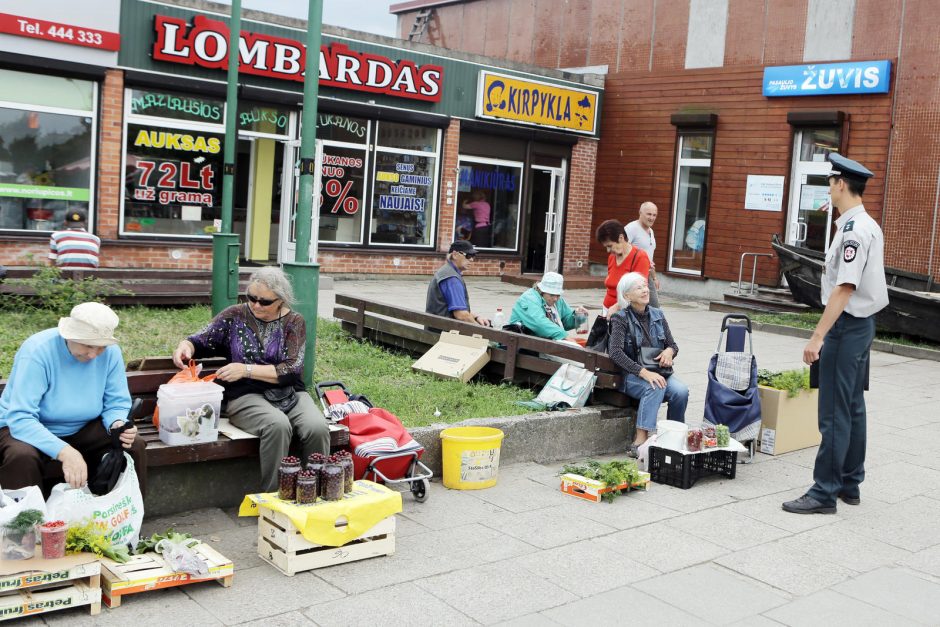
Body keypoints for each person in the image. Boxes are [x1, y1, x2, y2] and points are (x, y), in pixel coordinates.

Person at [783, 153, 888, 515]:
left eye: (830, 182)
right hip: (861, 326)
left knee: (833, 411)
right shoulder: (863, 224)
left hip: (846, 327)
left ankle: (824, 492)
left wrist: (817, 338)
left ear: (841, 184)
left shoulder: (854, 231)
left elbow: (844, 288)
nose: (829, 188)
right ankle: (849, 482)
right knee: (852, 407)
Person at [172, 267, 330, 493]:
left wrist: (245, 369)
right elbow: (200, 339)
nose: (256, 305)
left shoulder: (295, 322)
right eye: (252, 298)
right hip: (245, 395)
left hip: (290, 392)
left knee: (317, 427)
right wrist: (184, 346)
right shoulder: (234, 315)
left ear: (281, 300)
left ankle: (315, 491)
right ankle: (275, 496)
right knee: (277, 425)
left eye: (264, 302)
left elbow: (292, 369)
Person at [0, 302, 144, 496]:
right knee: (20, 457)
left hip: (83, 427)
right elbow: (20, 417)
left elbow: (116, 402)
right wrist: (65, 451)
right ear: (69, 335)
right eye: (87, 345)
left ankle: (124, 519)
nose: (93, 354)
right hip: (27, 428)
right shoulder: (37, 351)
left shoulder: (111, 353)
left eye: (100, 347)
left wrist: (117, 422)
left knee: (132, 445)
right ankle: (25, 523)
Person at [608, 272, 688, 457]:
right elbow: (616, 353)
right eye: (639, 287)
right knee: (655, 386)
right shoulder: (620, 318)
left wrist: (669, 352)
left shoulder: (658, 314)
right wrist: (643, 373)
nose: (645, 290)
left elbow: (672, 345)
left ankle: (674, 435)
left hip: (659, 372)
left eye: (645, 286)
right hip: (631, 376)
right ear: (627, 296)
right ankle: (641, 440)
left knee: (681, 391)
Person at [425, 240, 491, 327]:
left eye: (473, 256)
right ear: (455, 255)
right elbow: (461, 315)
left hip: (435, 330)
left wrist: (476, 317)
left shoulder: (446, 271)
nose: (471, 259)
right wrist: (482, 331)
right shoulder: (452, 279)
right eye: (468, 255)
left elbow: (459, 309)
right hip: (445, 334)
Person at [508, 272, 588, 340]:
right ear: (542, 290)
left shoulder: (558, 300)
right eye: (552, 295)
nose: (556, 299)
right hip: (521, 344)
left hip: (541, 343)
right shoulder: (529, 298)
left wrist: (578, 316)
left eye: (558, 295)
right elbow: (539, 324)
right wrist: (564, 336)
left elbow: (565, 322)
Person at [596, 219, 650, 317]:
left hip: (626, 314)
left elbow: (640, 291)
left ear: (621, 238)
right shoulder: (612, 257)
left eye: (610, 246)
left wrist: (616, 307)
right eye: (606, 247)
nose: (608, 250)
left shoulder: (640, 257)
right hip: (607, 310)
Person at [625, 202, 661, 307]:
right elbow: (621, 251)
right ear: (640, 213)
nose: (652, 218)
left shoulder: (651, 231)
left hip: (647, 276)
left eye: (654, 215)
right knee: (633, 307)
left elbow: (650, 258)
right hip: (633, 276)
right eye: (649, 214)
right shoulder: (631, 228)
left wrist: (654, 278)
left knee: (653, 307)